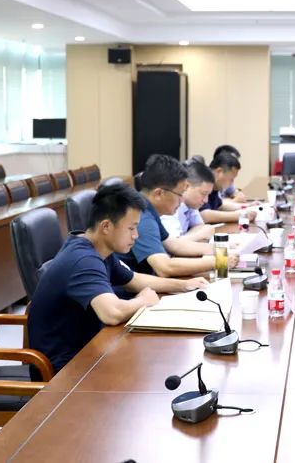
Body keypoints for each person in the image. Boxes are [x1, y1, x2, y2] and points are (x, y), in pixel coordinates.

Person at [28, 182, 209, 374]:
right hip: (64, 371)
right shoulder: (83, 260)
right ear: (106, 226)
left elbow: (134, 280)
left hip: (89, 349)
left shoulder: (98, 247)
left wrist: (184, 285)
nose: (136, 235)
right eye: (131, 228)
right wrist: (144, 300)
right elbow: (112, 313)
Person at [119, 154, 238, 277]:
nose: (182, 201)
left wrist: (220, 250)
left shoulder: (149, 208)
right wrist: (217, 261)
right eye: (180, 194)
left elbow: (174, 245)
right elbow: (165, 268)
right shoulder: (142, 216)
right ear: (159, 194)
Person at [160, 160, 217, 242]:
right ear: (186, 186)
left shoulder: (191, 204)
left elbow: (199, 226)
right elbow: (172, 243)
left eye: (208, 195)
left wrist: (189, 237)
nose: (206, 200)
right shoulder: (171, 204)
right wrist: (201, 234)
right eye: (203, 194)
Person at [198, 151, 249, 224]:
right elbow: (204, 215)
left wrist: (247, 206)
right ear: (219, 172)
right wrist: (239, 215)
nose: (232, 182)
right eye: (231, 178)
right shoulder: (202, 181)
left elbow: (220, 206)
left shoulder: (214, 186)